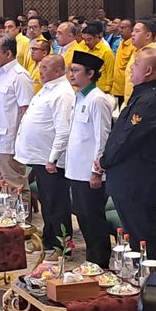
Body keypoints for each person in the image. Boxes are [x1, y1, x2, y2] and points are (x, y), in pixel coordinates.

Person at [96, 47, 156, 263]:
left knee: (141, 236)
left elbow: (129, 137)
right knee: (134, 233)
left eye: (136, 64)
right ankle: (138, 274)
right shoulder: (144, 94)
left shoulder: (151, 99)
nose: (131, 68)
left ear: (148, 71)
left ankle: (147, 277)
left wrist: (105, 160)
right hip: (128, 178)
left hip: (138, 180)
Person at [15, 54, 75, 255]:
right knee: (47, 202)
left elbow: (63, 130)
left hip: (51, 159)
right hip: (40, 156)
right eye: (40, 67)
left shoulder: (63, 93)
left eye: (45, 68)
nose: (40, 71)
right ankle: (49, 241)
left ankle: (62, 247)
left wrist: (53, 158)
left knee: (57, 203)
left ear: (58, 71)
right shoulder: (48, 88)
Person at [65, 51, 114, 268]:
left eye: (76, 70)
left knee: (93, 218)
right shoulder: (79, 97)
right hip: (75, 168)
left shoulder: (98, 99)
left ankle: (99, 261)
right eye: (70, 70)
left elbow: (102, 137)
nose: (71, 74)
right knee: (83, 217)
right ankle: (91, 259)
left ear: (90, 73)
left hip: (89, 171)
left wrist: (97, 171)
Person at [0, 34, 34, 198]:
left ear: (8, 53)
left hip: (9, 139)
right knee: (2, 184)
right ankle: (6, 212)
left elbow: (26, 110)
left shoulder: (19, 76)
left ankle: (21, 213)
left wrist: (21, 141)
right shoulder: (0, 73)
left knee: (15, 184)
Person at [123, 18, 156, 104]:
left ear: (148, 35)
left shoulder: (152, 55)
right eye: (133, 31)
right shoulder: (136, 51)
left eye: (137, 31)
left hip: (143, 101)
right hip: (130, 100)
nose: (132, 34)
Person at [80, 22, 115, 93]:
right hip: (87, 87)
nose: (86, 42)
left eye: (89, 39)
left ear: (97, 37)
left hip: (101, 88)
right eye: (84, 40)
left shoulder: (106, 51)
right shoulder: (85, 49)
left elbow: (110, 72)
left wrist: (107, 88)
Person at [111, 18, 135, 106]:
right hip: (117, 87)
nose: (120, 30)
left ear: (131, 29)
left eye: (123, 28)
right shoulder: (121, 43)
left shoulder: (133, 45)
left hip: (127, 87)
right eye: (120, 27)